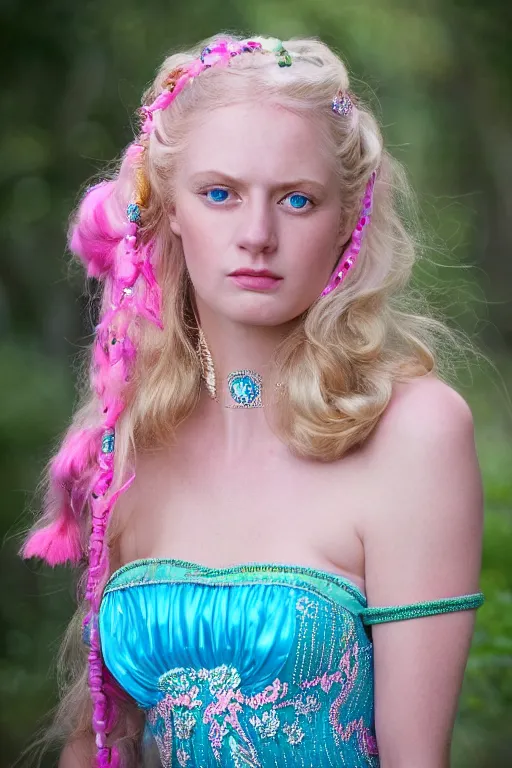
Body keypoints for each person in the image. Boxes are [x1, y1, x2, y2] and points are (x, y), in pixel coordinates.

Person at [20, 33, 485, 768]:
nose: (257, 235)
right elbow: (103, 739)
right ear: (169, 209)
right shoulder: (133, 438)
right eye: (220, 194)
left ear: (346, 223)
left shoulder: (414, 431)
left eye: (297, 200)